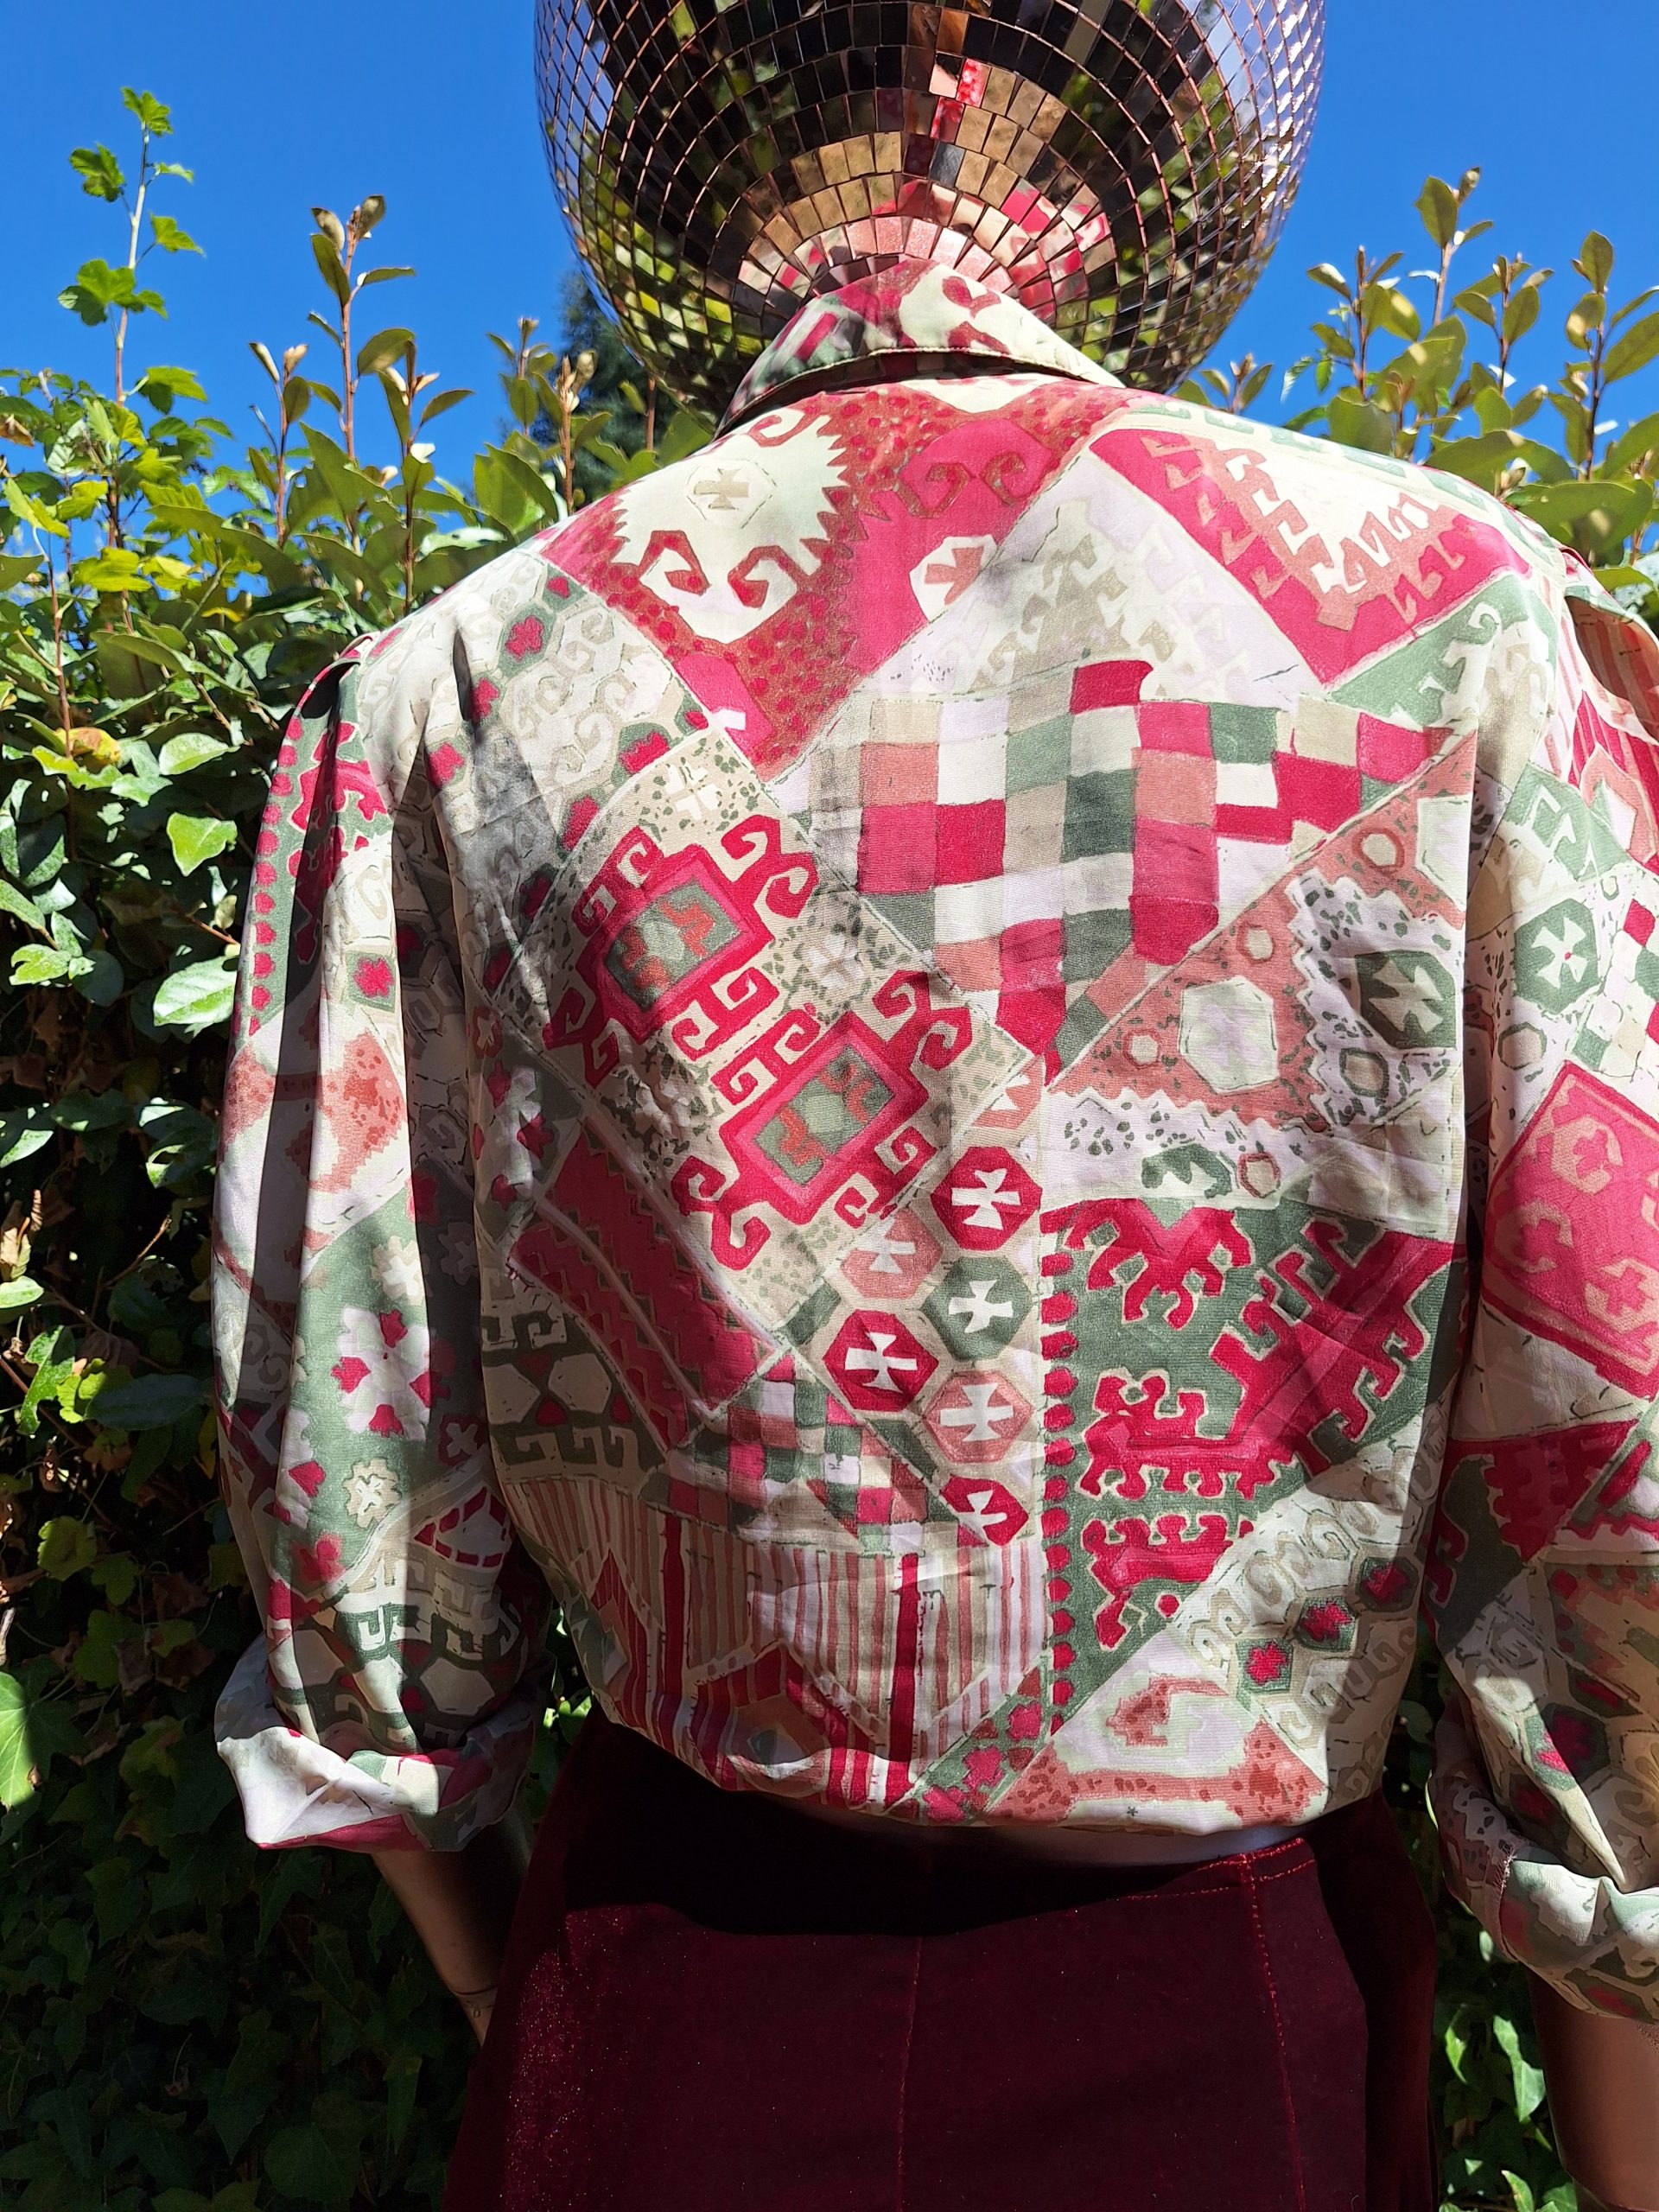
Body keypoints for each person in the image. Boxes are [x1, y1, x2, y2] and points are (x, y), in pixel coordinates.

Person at [209, 38, 1659, 2212]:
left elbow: (357, 1486)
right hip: (1237, 2026)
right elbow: (1612, 1459)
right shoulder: (1467, 630)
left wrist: (532, 1997)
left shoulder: (452, 695)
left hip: (659, 1983)